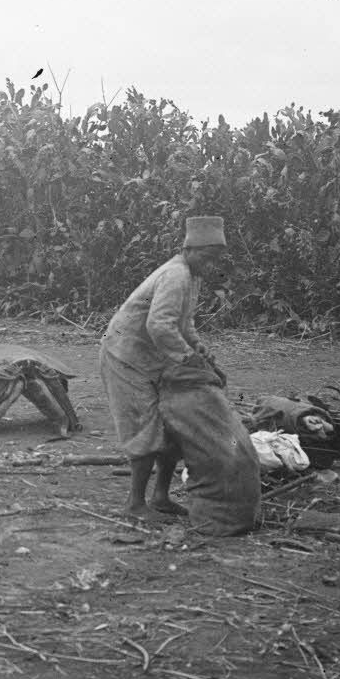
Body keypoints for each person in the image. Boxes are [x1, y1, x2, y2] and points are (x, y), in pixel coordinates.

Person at [99, 216, 254, 527]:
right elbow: (159, 326)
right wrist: (187, 358)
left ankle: (161, 497)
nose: (211, 266)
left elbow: (184, 324)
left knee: (171, 427)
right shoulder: (176, 275)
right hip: (125, 356)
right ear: (189, 249)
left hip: (151, 357)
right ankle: (134, 504)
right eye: (207, 258)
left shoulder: (192, 276)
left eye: (216, 260)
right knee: (145, 430)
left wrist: (201, 352)